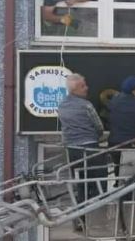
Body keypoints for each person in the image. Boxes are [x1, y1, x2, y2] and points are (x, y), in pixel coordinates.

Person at [57, 74, 107, 212]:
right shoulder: (86, 105)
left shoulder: (62, 106)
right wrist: (97, 136)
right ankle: (98, 212)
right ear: (74, 90)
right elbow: (99, 127)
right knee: (98, 179)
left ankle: (82, 212)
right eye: (82, 86)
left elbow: (64, 128)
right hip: (90, 147)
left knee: (80, 181)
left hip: (72, 150)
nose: (86, 88)